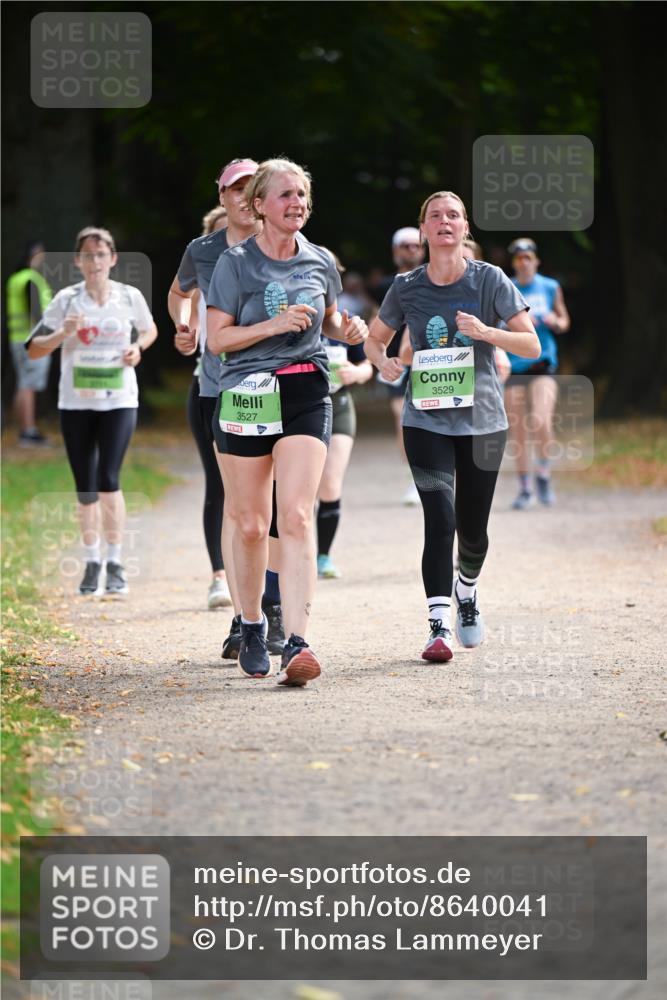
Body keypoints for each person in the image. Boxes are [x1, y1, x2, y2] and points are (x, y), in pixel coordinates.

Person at [207, 157, 368, 685]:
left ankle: (298, 640)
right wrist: (272, 325)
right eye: (285, 194)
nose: (296, 202)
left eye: (301, 194)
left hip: (306, 389)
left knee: (296, 516)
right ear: (259, 205)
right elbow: (219, 339)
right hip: (247, 393)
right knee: (252, 524)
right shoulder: (234, 263)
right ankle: (253, 623)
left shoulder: (320, 261)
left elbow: (330, 320)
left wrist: (348, 330)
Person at [365, 191, 539, 663]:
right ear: (423, 229)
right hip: (426, 420)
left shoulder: (490, 279)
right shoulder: (406, 286)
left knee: (473, 531)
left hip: (483, 422)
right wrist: (383, 362)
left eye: (454, 216)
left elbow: (531, 345)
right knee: (440, 521)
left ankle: (467, 589)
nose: (445, 222)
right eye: (435, 216)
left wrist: (486, 332)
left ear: (465, 228)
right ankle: (438, 626)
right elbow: (376, 340)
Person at [169, 158, 284, 658]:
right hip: (221, 389)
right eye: (234, 189)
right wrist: (185, 325)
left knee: (278, 504)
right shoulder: (203, 250)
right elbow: (178, 293)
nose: (243, 197)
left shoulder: (285, 242)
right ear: (223, 197)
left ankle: (275, 606)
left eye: (251, 188)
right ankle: (244, 616)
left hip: (280, 387)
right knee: (238, 505)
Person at [26, 226, 157, 596]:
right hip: (76, 403)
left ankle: (115, 563)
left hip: (118, 401)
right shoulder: (67, 299)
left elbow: (149, 330)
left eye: (101, 254)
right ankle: (92, 561)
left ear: (112, 259)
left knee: (108, 478)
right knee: (85, 484)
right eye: (88, 255)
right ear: (78, 261)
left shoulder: (129, 296)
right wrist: (61, 334)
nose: (95, 261)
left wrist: (137, 348)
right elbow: (33, 349)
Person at [503, 237, 571, 509]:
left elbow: (564, 320)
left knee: (541, 420)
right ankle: (524, 488)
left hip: (542, 363)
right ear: (513, 263)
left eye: (528, 258)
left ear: (536, 261)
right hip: (514, 365)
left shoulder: (550, 286)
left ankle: (543, 473)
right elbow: (495, 322)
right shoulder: (506, 287)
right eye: (518, 258)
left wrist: (556, 321)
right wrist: (517, 324)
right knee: (518, 430)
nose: (523, 262)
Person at [317, 266, 373, 579]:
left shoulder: (346, 321)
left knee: (329, 483)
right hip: (300, 407)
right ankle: (292, 553)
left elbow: (368, 365)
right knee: (297, 489)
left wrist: (357, 373)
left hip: (338, 405)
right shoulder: (297, 316)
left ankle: (323, 556)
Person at [370, 227, 425, 506]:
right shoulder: (384, 286)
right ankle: (414, 479)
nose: (412, 250)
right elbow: (374, 321)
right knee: (402, 419)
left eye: (417, 245)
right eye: (406, 245)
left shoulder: (433, 278)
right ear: (395, 251)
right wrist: (377, 358)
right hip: (395, 362)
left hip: (428, 359)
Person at [6, 241, 53, 446]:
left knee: (23, 383)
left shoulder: (16, 278)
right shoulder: (31, 279)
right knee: (28, 385)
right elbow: (36, 313)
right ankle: (28, 431)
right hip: (32, 340)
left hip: (18, 338)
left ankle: (24, 429)